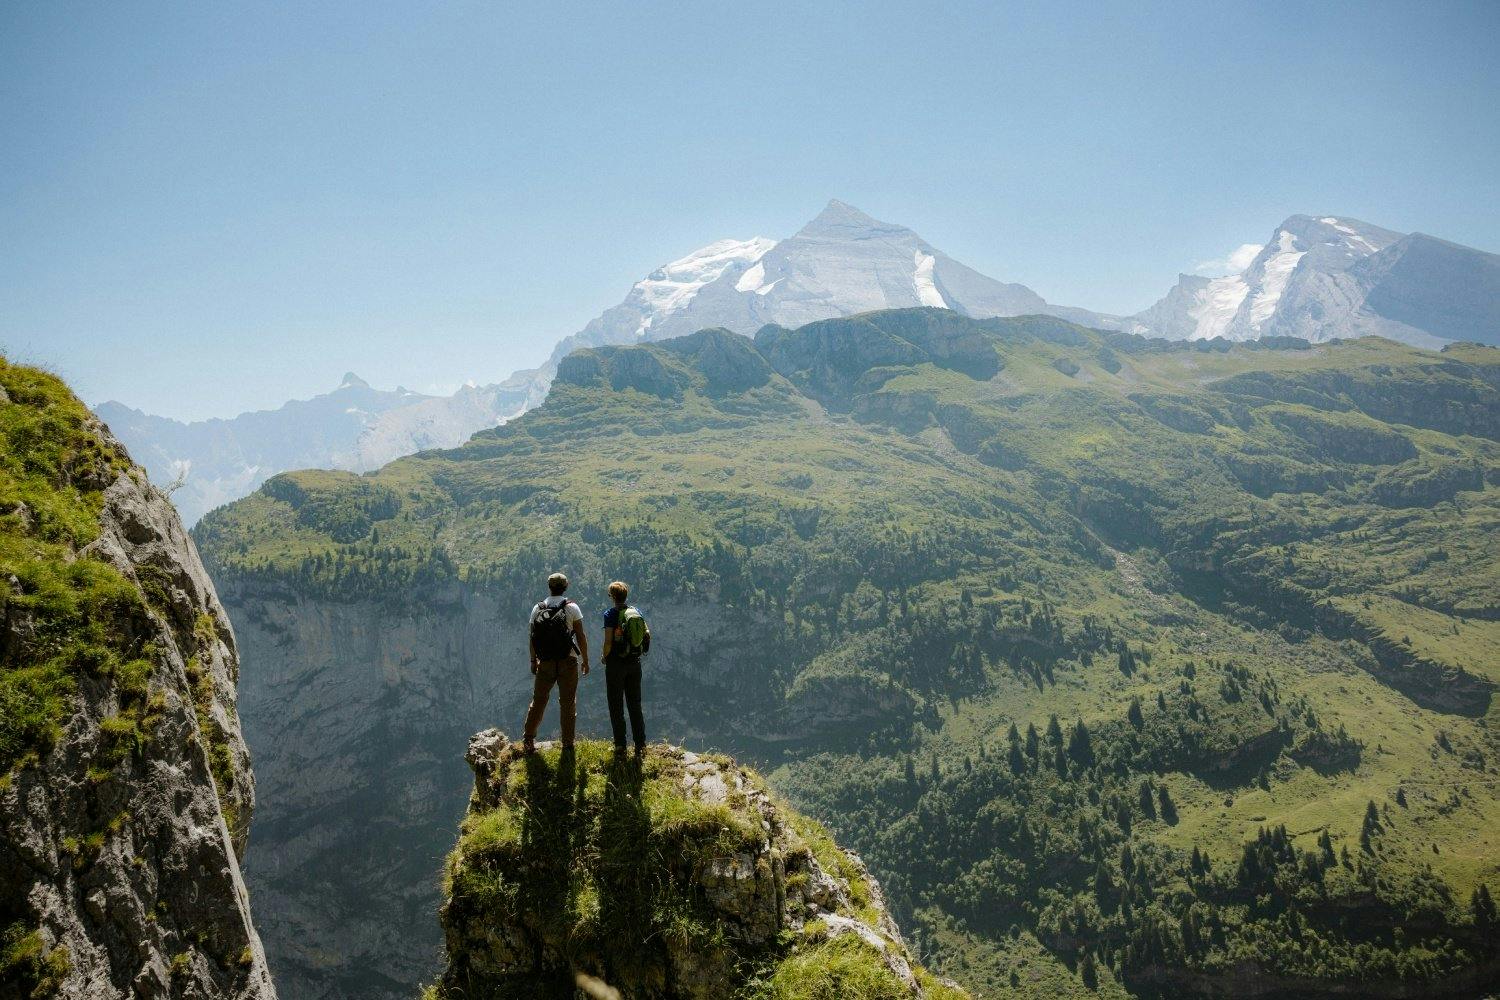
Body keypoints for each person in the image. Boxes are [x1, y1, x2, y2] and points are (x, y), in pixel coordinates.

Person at [522, 572, 589, 754]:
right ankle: (567, 744)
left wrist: (532, 660)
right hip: (568, 661)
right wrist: (585, 660)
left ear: (549, 587)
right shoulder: (572, 607)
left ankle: (528, 738)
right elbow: (581, 636)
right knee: (567, 702)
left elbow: (533, 637)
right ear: (566, 586)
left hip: (545, 662)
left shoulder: (538, 608)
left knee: (539, 700)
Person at [601, 580, 650, 756]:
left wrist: (604, 656)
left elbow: (608, 642)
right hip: (634, 663)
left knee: (616, 705)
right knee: (635, 704)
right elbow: (646, 634)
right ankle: (640, 745)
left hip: (616, 663)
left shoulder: (610, 614)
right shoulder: (636, 612)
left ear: (613, 597)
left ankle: (620, 745)